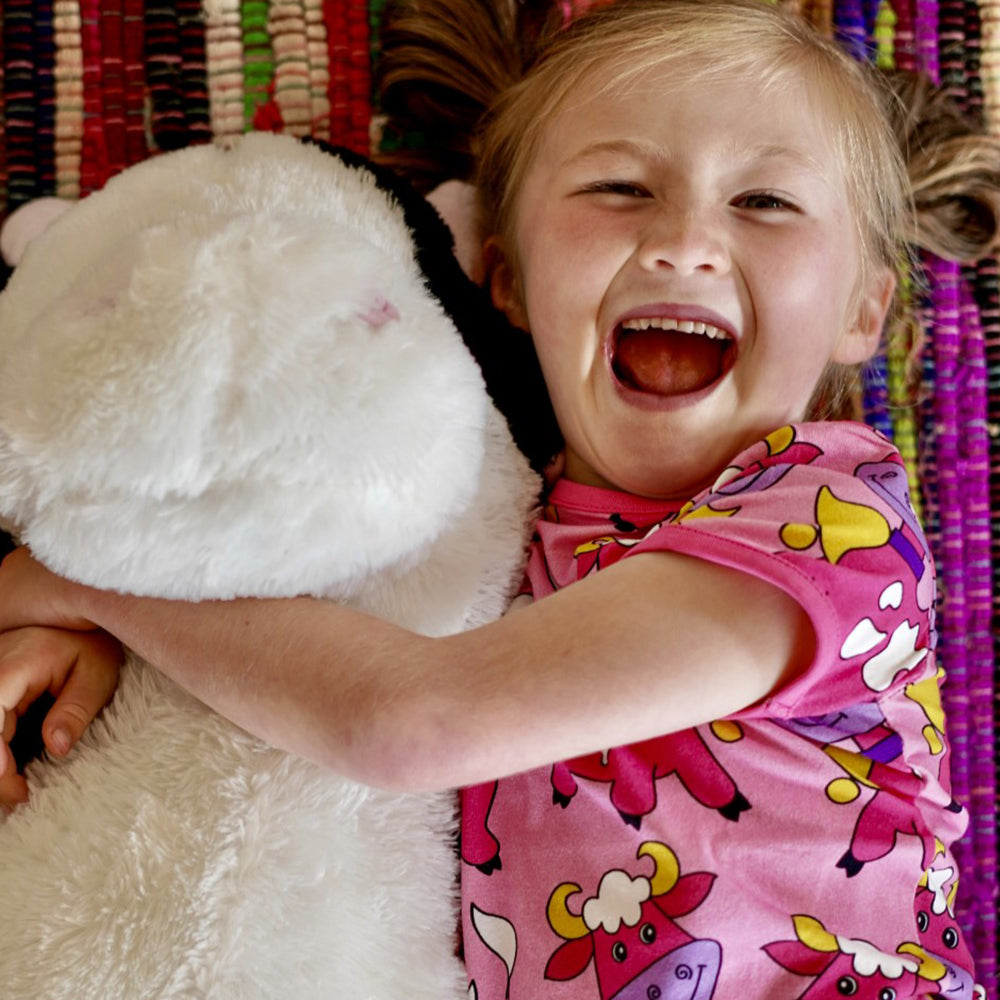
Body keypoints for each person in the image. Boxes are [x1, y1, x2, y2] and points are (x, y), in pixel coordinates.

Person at [0, 0, 996, 995]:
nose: (683, 242)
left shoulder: (828, 521)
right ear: (507, 281)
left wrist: (94, 582)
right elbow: (298, 670)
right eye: (619, 187)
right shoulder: (479, 529)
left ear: (863, 307)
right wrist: (128, 662)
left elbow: (411, 718)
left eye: (765, 202)